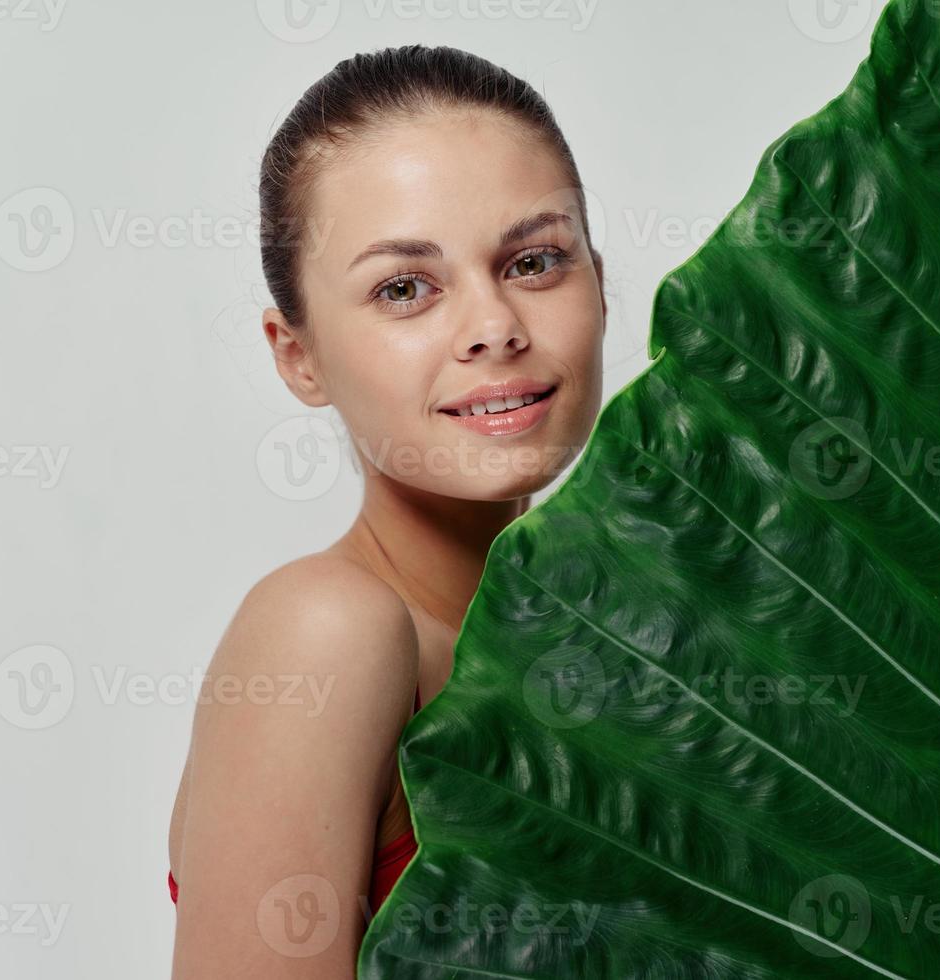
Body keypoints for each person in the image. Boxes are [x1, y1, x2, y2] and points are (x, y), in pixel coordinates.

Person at [167, 44, 607, 978]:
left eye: (533, 261)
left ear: (599, 284)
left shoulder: (627, 637)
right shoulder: (331, 630)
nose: (493, 325)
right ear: (300, 357)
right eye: (404, 288)